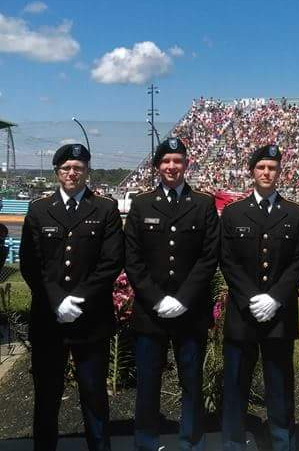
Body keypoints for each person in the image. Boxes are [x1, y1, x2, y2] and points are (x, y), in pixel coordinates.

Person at [20, 143, 124, 451]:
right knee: (47, 395)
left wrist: (77, 299)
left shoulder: (105, 208)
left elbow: (111, 261)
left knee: (94, 395)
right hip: (48, 320)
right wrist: (57, 301)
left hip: (90, 319)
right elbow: (31, 262)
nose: (72, 173)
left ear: (87, 171)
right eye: (66, 168)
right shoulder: (38, 209)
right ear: (57, 172)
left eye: (78, 168)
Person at [124, 137, 219, 451]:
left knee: (191, 381)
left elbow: (209, 256)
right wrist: (157, 298)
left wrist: (182, 298)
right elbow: (133, 258)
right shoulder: (141, 203)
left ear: (186, 165)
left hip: (190, 311)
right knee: (148, 383)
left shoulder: (203, 204)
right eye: (166, 161)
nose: (172, 166)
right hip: (151, 312)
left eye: (178, 161)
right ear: (157, 166)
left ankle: (191, 440)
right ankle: (146, 441)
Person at [220, 144, 299, 450]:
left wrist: (275, 297)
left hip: (279, 315)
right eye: (261, 167)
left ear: (279, 172)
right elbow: (227, 259)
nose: (266, 173)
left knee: (280, 384)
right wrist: (250, 298)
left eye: (272, 168)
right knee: (235, 384)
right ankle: (233, 441)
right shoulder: (233, 213)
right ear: (252, 172)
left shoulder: (296, 213)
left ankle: (282, 441)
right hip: (242, 315)